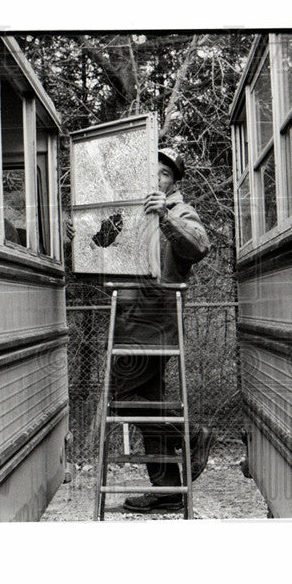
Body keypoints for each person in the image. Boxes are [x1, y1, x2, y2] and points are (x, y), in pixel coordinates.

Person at [110, 147, 216, 513]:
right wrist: (82, 235)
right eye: (151, 171)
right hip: (130, 321)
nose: (156, 178)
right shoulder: (133, 214)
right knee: (149, 404)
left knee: (122, 402)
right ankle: (168, 489)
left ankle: (191, 434)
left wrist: (165, 217)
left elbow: (199, 247)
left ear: (172, 183)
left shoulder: (179, 211)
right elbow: (103, 250)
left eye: (165, 174)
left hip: (153, 323)